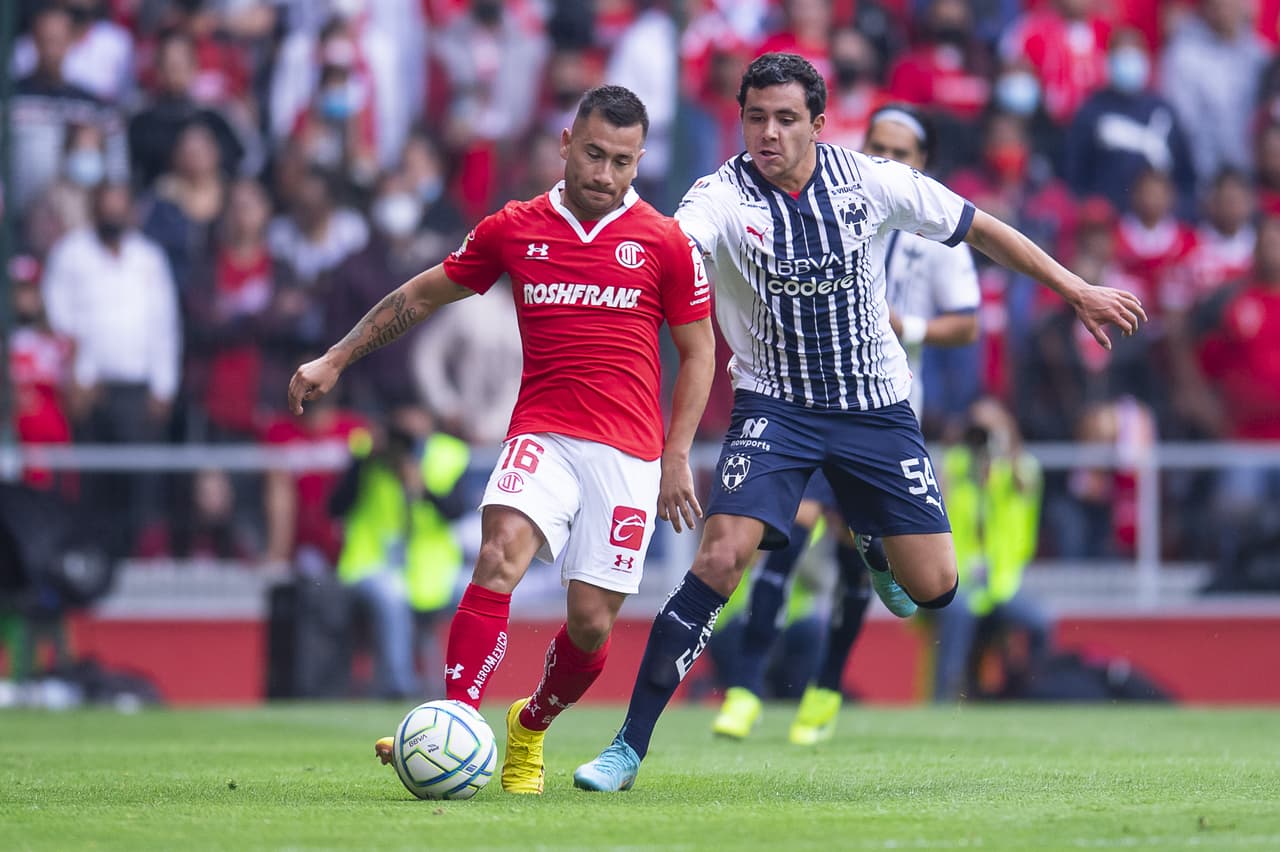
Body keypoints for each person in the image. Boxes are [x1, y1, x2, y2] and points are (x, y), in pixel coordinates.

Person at [573, 52, 1145, 793]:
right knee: (718, 560)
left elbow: (980, 227)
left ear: (818, 122)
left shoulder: (871, 181)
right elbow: (666, 258)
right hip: (775, 405)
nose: (769, 133)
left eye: (785, 119)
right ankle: (626, 748)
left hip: (875, 406)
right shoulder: (717, 199)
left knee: (935, 588)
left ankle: (872, 538)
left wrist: (1074, 288)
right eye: (755, 118)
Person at [286, 86, 715, 794]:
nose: (605, 175)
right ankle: (453, 720)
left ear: (639, 164)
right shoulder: (513, 228)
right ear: (566, 145)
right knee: (498, 555)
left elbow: (698, 353)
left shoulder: (665, 242)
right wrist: (335, 357)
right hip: (542, 434)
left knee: (588, 626)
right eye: (595, 154)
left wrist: (675, 457)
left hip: (629, 453)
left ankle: (531, 724)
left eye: (622, 162)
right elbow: (421, 295)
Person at [710, 103, 982, 745]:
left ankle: (826, 688)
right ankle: (747, 686)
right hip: (808, 404)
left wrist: (905, 327)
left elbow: (967, 321)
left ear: (923, 165)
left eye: (902, 152)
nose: (886, 158)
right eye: (877, 145)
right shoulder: (835, 206)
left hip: (883, 415)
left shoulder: (927, 227)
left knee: (855, 552)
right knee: (794, 528)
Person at [328, 405, 470, 700]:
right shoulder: (367, 452)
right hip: (371, 565)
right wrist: (364, 462)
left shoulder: (447, 455)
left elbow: (457, 511)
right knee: (393, 594)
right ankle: (399, 687)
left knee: (478, 592)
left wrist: (423, 489)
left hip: (433, 570)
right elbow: (335, 507)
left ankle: (464, 686)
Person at [932, 397, 1050, 701]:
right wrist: (957, 447)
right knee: (958, 613)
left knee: (1041, 622)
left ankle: (1032, 692)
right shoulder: (957, 464)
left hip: (1002, 584)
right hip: (959, 581)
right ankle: (943, 697)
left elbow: (1025, 486)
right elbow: (937, 503)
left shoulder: (1020, 466)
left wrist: (1001, 455)